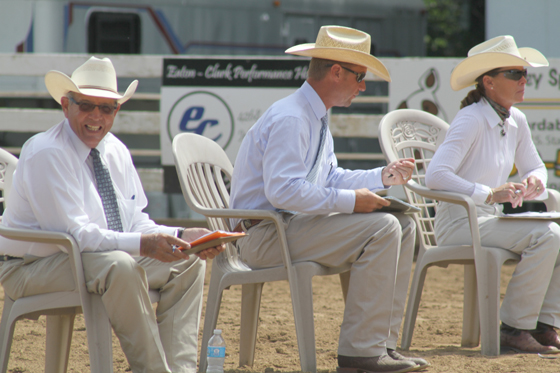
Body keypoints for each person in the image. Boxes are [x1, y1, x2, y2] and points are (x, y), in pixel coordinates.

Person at [0, 56, 225, 373]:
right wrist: (145, 244)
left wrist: (180, 237)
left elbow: (134, 221)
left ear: (116, 111)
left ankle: (180, 370)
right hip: (29, 268)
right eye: (87, 105)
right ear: (66, 106)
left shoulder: (115, 149)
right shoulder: (47, 152)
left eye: (107, 108)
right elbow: (76, 237)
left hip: (87, 258)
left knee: (186, 263)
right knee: (120, 265)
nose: (96, 116)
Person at [230, 25, 428, 373]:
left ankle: (381, 344)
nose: (363, 85)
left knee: (404, 224)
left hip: (283, 227)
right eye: (360, 76)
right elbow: (283, 191)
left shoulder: (312, 114)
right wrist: (353, 201)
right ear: (336, 71)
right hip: (263, 235)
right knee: (384, 227)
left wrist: (383, 178)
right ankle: (360, 352)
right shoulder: (294, 117)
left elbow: (330, 178)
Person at [425, 35, 560, 354]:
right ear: (488, 81)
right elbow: (435, 175)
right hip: (457, 225)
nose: (523, 79)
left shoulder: (517, 119)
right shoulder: (470, 118)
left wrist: (534, 182)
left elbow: (536, 167)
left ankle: (542, 324)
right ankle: (514, 328)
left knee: (556, 232)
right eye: (514, 73)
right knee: (550, 234)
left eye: (524, 73)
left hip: (487, 221)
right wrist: (489, 193)